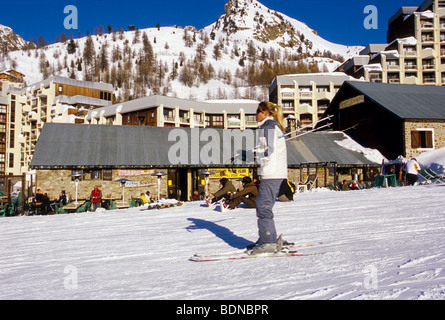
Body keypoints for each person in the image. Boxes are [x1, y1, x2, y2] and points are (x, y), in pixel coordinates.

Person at [249, 101, 288, 254]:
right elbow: (265, 148)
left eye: (258, 111)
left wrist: (253, 157)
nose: (255, 114)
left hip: (271, 172)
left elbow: (267, 150)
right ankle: (267, 238)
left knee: (263, 206)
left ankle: (268, 242)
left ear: (265, 112)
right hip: (274, 172)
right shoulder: (271, 126)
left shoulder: (268, 126)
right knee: (264, 205)